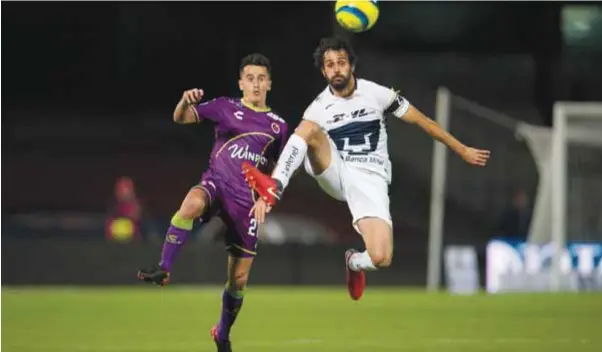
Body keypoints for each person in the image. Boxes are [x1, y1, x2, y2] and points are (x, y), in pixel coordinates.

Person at [242, 37, 491, 301]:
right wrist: (277, 181)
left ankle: (354, 263)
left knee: (381, 257)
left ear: (351, 65)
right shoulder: (318, 107)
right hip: (336, 169)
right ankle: (275, 185)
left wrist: (461, 149)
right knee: (309, 130)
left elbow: (423, 121)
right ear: (324, 72)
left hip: (371, 179)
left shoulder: (378, 94)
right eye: (329, 65)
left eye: (341, 62)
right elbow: (302, 138)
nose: (336, 69)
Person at [137, 53, 288, 352]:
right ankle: (164, 267)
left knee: (238, 281)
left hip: (246, 205)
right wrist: (184, 100)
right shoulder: (225, 107)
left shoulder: (279, 127)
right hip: (216, 184)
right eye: (250, 78)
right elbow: (181, 117)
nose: (255, 84)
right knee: (190, 204)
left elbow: (278, 170)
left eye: (261, 79)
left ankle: (222, 333)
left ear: (269, 83)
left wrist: (265, 200)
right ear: (241, 83)